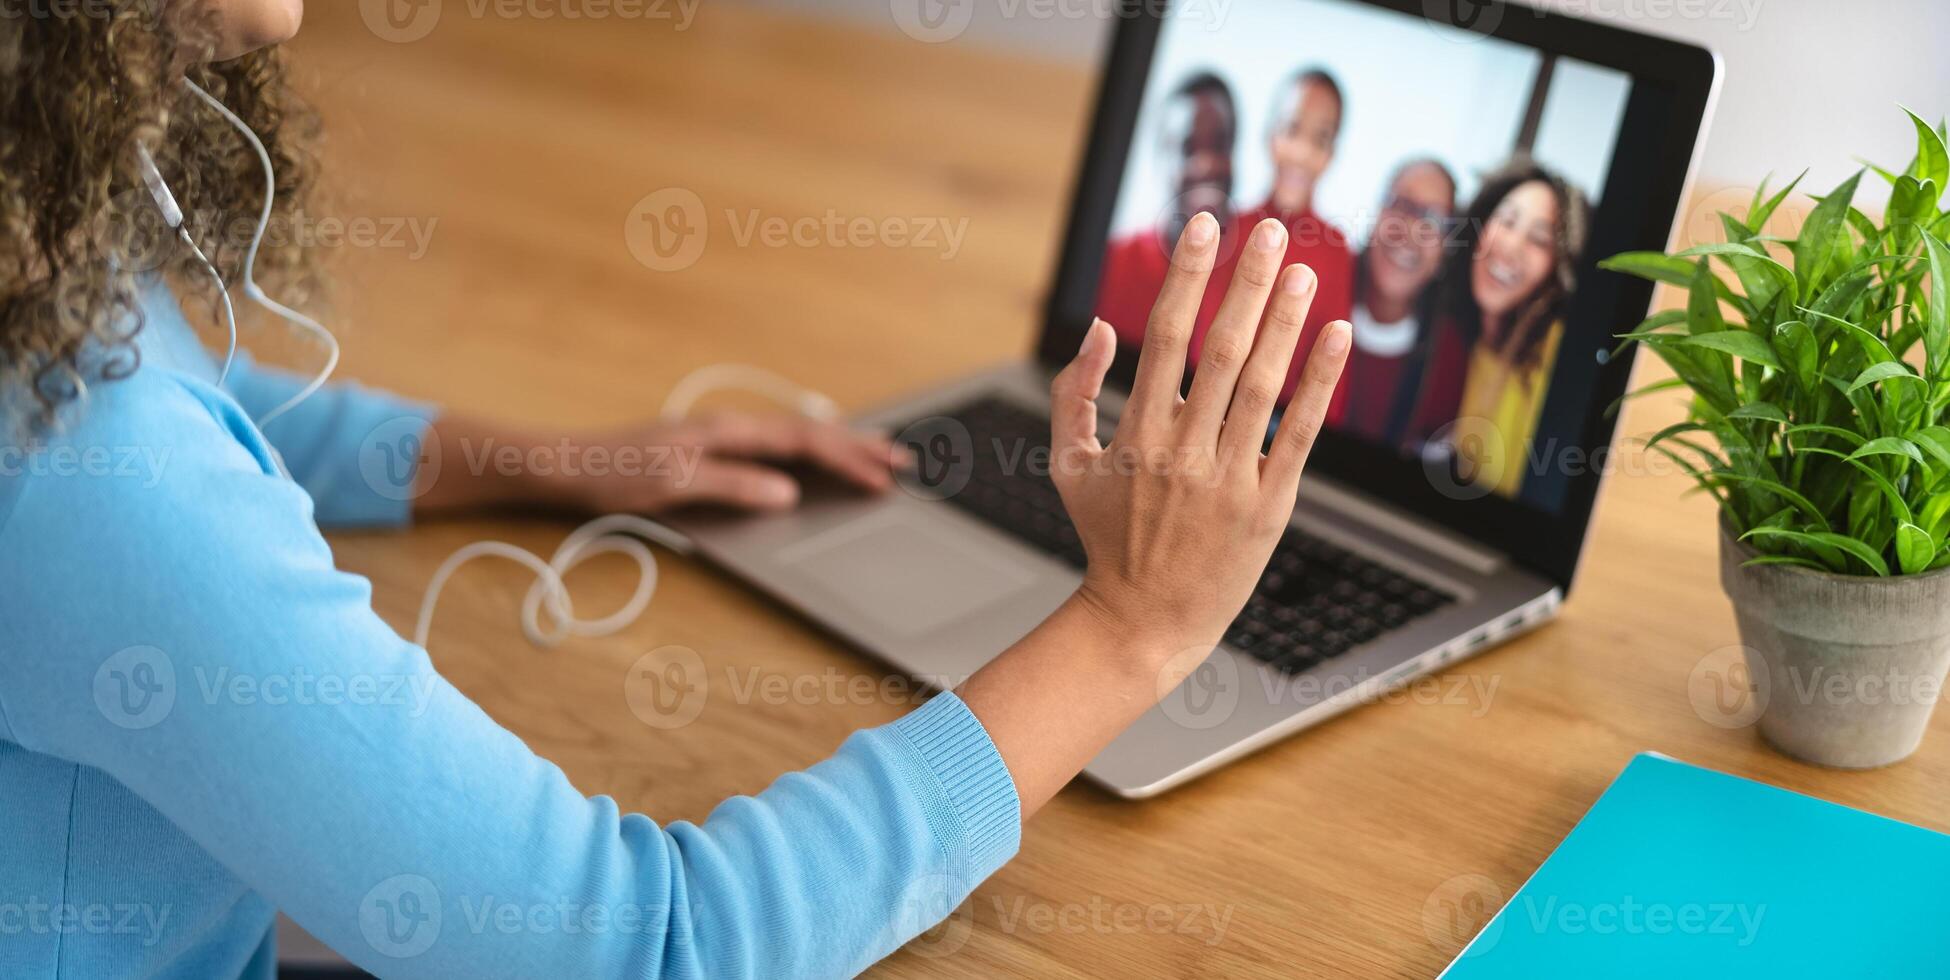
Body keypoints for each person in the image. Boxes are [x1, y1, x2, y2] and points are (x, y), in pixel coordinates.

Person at [0, 6, 1354, 977]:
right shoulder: (81, 471)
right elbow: (648, 945)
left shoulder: (37, 269)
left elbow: (182, 423)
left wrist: (538, 460)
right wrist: (1134, 629)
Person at [1405, 161, 1590, 497]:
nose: (1511, 246)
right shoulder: (1460, 342)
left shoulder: (1555, 356)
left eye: (1539, 239)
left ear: (1557, 267)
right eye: (1506, 221)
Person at [1221, 67, 1356, 412]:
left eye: (1321, 139)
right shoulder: (1228, 228)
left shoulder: (1337, 252)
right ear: (1270, 135)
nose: (1302, 152)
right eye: (1292, 129)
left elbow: (1330, 381)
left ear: (1332, 155)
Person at [1094, 70, 1238, 350]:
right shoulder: (1112, 262)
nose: (1207, 164)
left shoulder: (1257, 274)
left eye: (1220, 144)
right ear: (1160, 157)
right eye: (1188, 148)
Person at [1336, 158, 1456, 446]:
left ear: (1445, 251)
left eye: (1434, 219)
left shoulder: (1450, 360)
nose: (1411, 229)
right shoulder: (1322, 283)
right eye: (1402, 204)